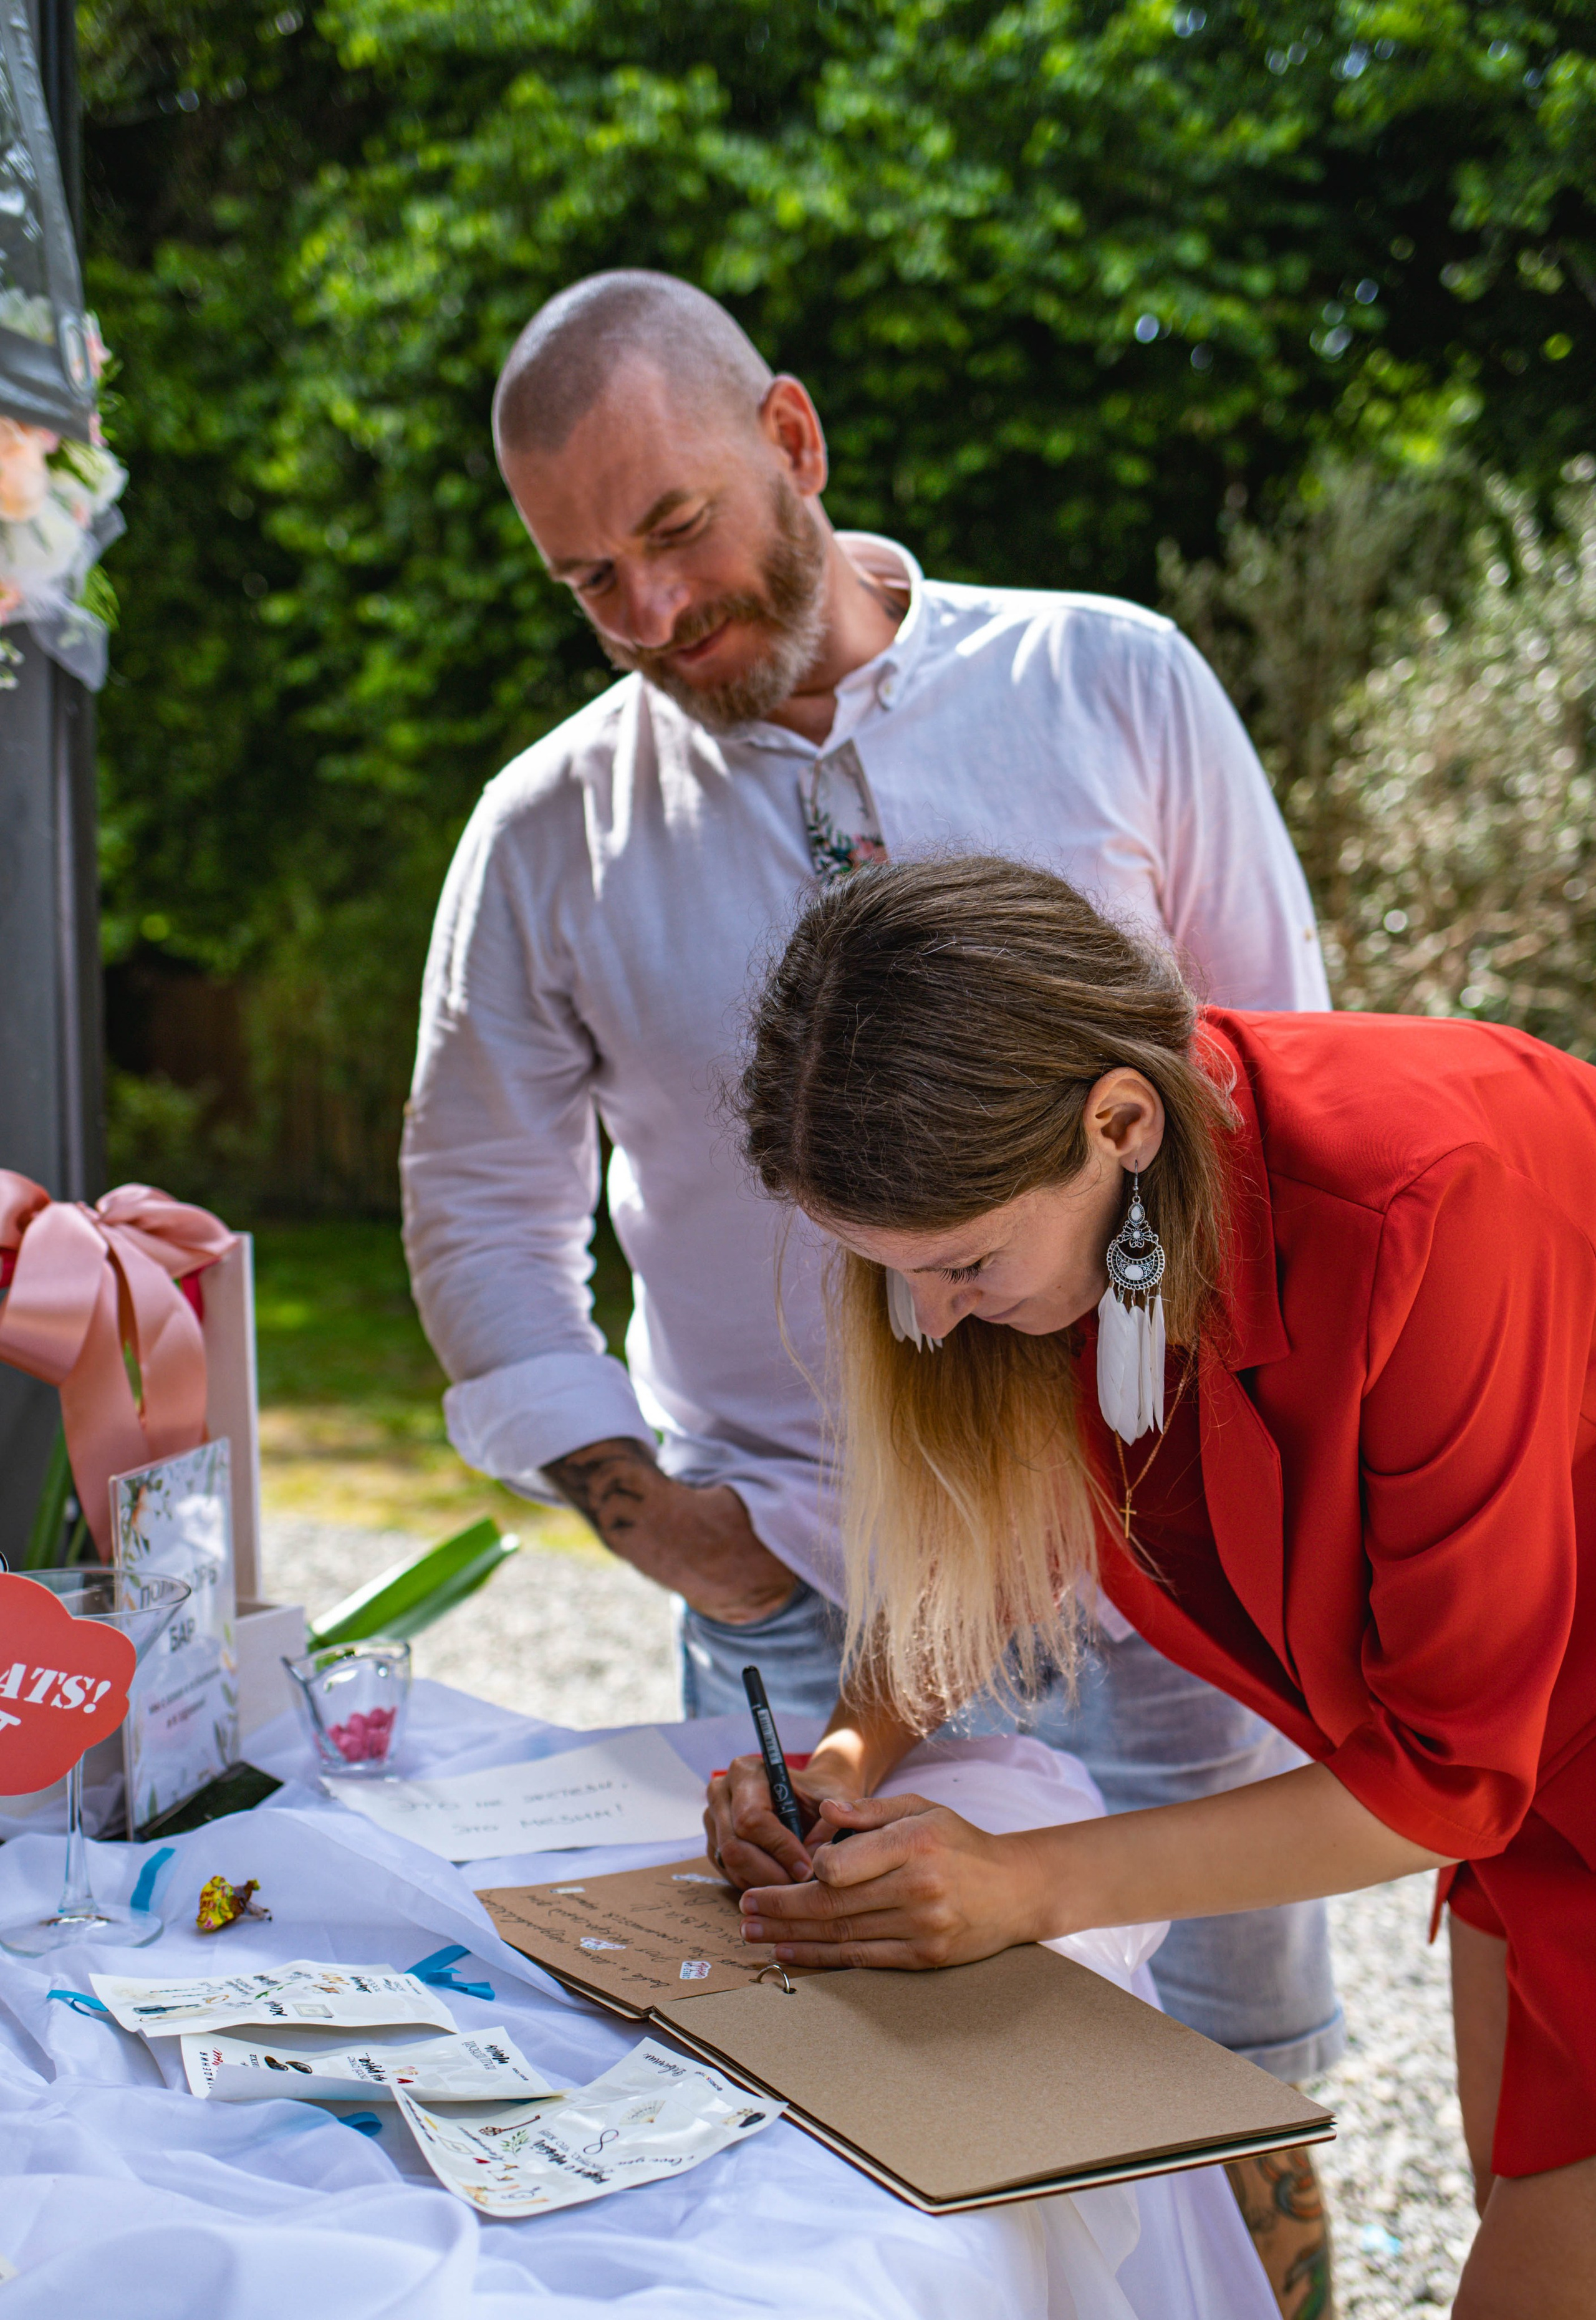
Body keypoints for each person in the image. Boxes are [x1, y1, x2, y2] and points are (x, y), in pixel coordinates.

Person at [401, 269, 1338, 2303]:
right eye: (588, 582)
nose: (650, 616)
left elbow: (1283, 1071)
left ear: (798, 445)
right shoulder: (545, 830)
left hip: (1177, 1557)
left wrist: (1201, 1457)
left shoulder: (1110, 679)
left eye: (676, 534)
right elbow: (476, 1199)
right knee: (857, 2124)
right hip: (803, 1581)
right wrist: (646, 1513)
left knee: (1233, 2065)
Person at [708, 852, 1596, 2320]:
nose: (929, 1325)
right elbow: (996, 1543)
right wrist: (844, 1759)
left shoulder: (1427, 1201)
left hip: (1514, 1753)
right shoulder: (1098, 1212)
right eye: (890, 1278)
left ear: (1116, 1118)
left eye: (964, 1264)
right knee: (1510, 2190)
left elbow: (1442, 1769)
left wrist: (1024, 1885)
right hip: (1528, 1773)